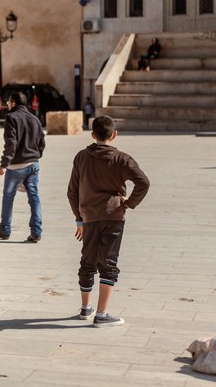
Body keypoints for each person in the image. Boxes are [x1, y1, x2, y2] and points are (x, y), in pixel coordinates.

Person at [67, 115, 150, 327]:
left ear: (92, 134)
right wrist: (129, 203)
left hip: (89, 217)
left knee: (87, 262)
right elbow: (143, 183)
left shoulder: (81, 157)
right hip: (114, 216)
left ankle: (86, 308)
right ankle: (102, 315)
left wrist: (79, 219)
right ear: (114, 135)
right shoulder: (122, 158)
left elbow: (72, 192)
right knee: (109, 263)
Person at [0, 92, 45, 242]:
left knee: (8, 197)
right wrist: (35, 156)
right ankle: (36, 232)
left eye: (8, 102)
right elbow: (42, 142)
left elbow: (11, 143)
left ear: (13, 103)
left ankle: (5, 229)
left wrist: (4, 164)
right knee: (34, 198)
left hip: (16, 167)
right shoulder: (35, 119)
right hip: (33, 165)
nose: (7, 105)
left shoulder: (11, 117)